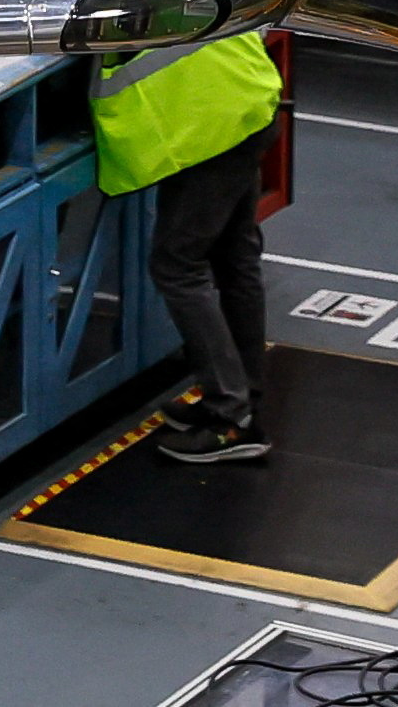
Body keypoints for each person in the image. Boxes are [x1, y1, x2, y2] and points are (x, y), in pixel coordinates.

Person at [98, 25, 287, 465]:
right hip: (247, 102)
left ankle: (229, 417)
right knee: (234, 257)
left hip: (209, 130)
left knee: (177, 265)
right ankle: (244, 393)